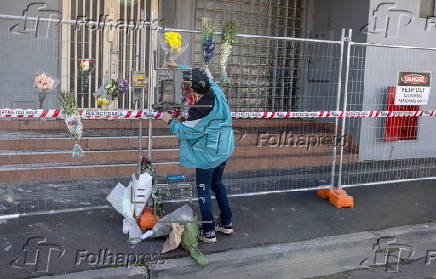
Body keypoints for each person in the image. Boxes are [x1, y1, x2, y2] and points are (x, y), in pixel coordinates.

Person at [160, 61, 235, 243]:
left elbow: (186, 131)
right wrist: (177, 66)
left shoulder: (200, 109)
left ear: (194, 90)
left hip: (208, 154)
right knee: (217, 184)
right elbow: (202, 74)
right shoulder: (215, 89)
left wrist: (169, 120)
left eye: (189, 88)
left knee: (203, 189)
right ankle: (226, 223)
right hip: (224, 148)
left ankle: (208, 231)